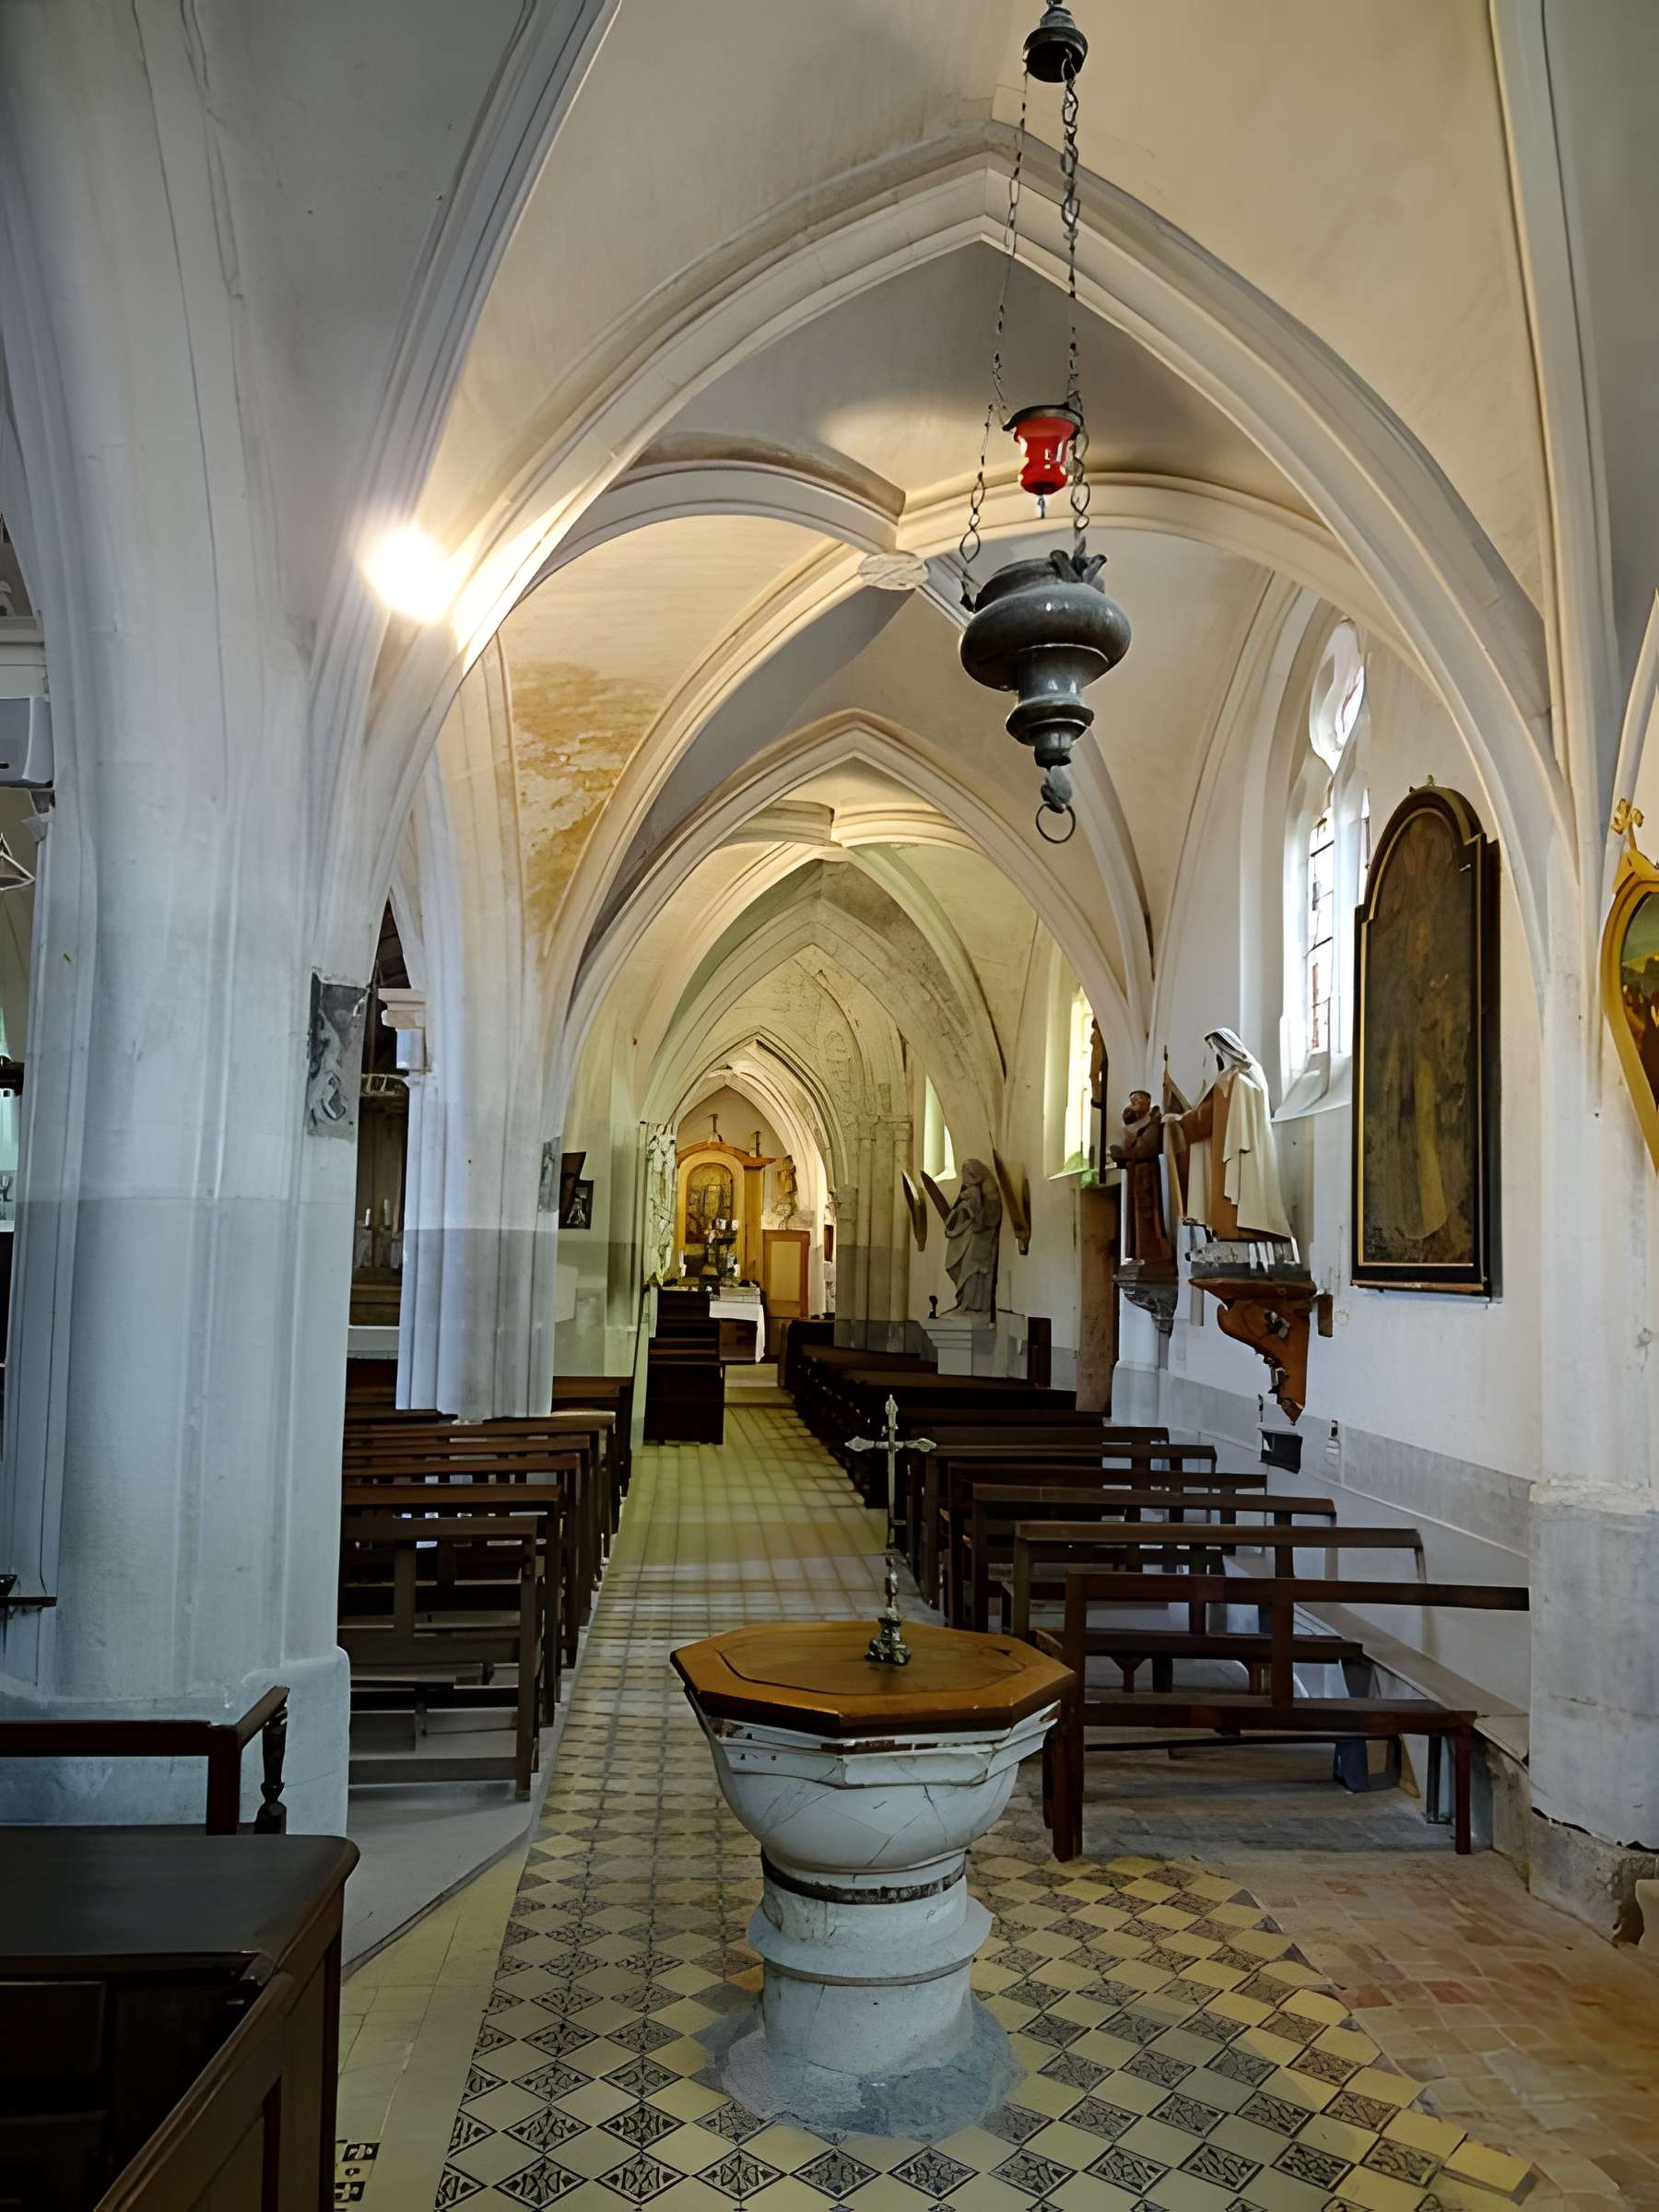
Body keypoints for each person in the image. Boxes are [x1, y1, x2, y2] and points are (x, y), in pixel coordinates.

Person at [1165, 1029, 1292, 1243]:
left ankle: (1240, 1229)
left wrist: (1178, 1123)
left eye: (1215, 1049)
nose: (1215, 1055)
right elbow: (1208, 1114)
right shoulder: (1244, 1079)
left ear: (1226, 1049)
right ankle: (1238, 1228)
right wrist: (1182, 1121)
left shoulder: (1236, 1080)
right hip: (1236, 1144)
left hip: (1237, 1146)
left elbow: (1206, 1115)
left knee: (1236, 1188)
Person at [1109, 1090, 1173, 1264]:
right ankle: (1137, 1250)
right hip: (1136, 1173)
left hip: (1147, 1174)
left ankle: (1150, 1251)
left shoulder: (1153, 1122)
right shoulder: (1133, 1123)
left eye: (1140, 1099)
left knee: (1147, 1215)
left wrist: (1124, 1154)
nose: (1137, 1103)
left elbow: (1146, 1146)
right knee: (1135, 1216)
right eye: (1133, 1100)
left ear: (1148, 1101)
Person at [943, 1158, 1002, 1317]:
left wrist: (970, 1209)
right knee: (960, 1268)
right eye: (964, 1173)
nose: (965, 1177)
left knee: (972, 1269)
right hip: (970, 1237)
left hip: (980, 1241)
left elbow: (985, 1219)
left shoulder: (981, 1192)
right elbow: (955, 1221)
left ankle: (972, 1304)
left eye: (967, 1173)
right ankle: (964, 1302)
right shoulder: (969, 1192)